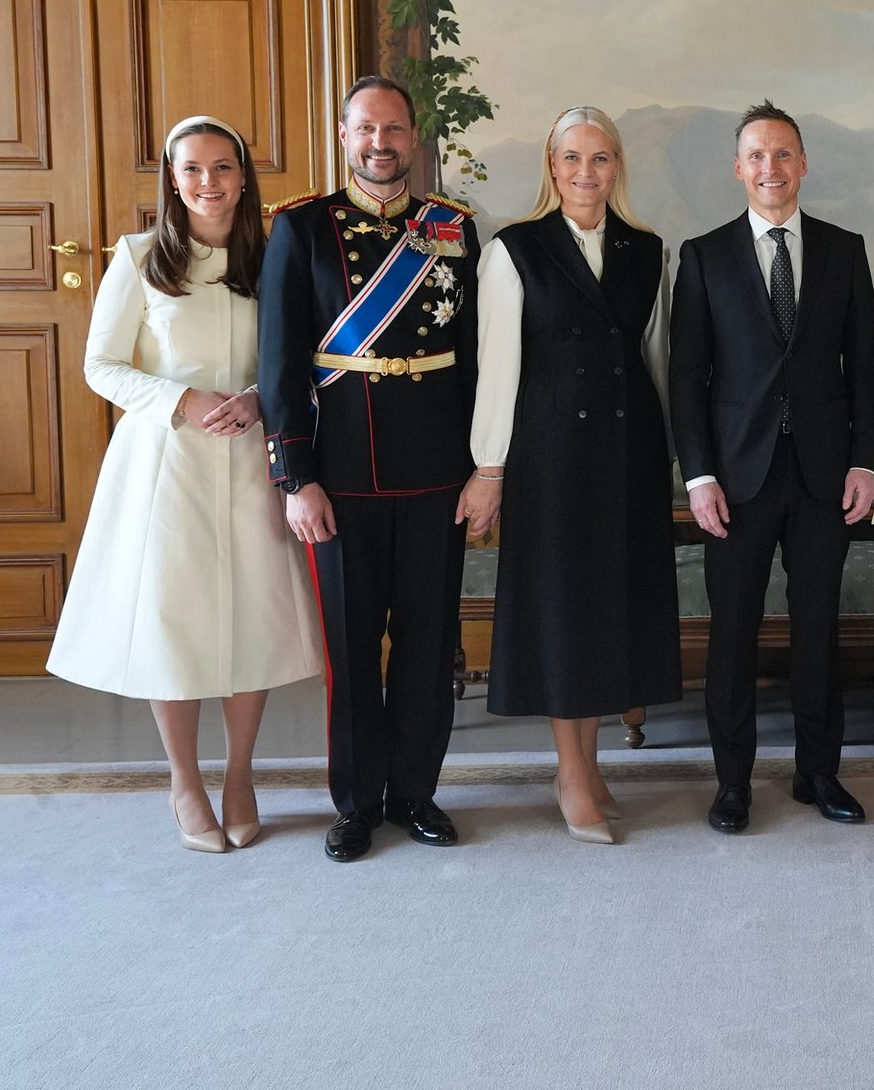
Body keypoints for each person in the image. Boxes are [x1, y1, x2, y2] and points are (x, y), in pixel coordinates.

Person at [48, 116, 323, 853]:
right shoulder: (140, 257)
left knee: (252, 615)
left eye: (223, 167)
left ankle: (240, 775)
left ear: (244, 176)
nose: (209, 182)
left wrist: (260, 399)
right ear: (172, 179)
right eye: (193, 169)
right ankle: (184, 781)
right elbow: (101, 366)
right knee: (174, 620)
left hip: (253, 459)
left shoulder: (274, 256)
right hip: (166, 464)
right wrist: (182, 400)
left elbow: (302, 355)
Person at [259, 76, 479, 863]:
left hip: (436, 469)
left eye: (392, 129)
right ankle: (356, 803)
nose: (379, 143)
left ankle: (416, 793)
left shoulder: (452, 227)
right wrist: (296, 477)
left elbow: (474, 356)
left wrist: (483, 468)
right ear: (344, 136)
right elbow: (280, 361)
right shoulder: (302, 227)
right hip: (341, 472)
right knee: (351, 650)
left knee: (427, 642)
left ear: (413, 138)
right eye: (365, 129)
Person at [459, 107, 682, 844]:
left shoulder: (648, 250)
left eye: (601, 158)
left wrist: (672, 455)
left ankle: (588, 766)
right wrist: (489, 467)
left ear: (617, 167)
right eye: (572, 158)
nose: (586, 172)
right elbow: (498, 370)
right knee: (565, 615)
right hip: (550, 457)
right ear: (551, 167)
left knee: (612, 612)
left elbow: (657, 359)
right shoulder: (515, 250)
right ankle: (572, 773)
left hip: (630, 454)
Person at [669, 100, 874, 834]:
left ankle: (818, 772)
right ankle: (732, 783)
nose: (771, 167)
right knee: (732, 633)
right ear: (739, 168)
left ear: (803, 163)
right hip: (735, 479)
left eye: (783, 153)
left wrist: (864, 462)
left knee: (817, 628)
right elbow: (686, 376)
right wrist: (699, 476)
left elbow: (864, 369)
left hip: (824, 475)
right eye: (757, 155)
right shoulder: (703, 255)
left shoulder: (844, 249)